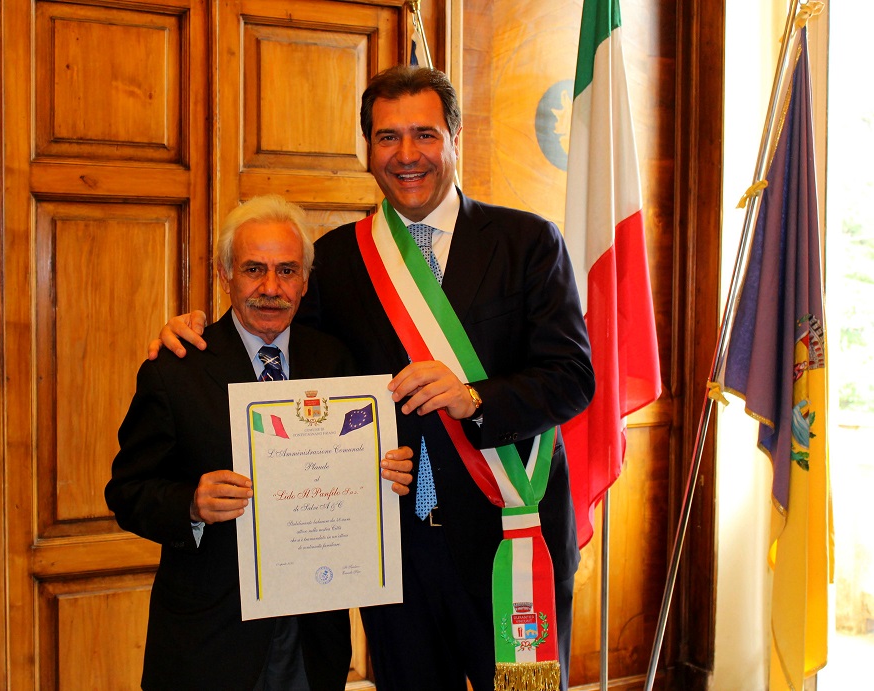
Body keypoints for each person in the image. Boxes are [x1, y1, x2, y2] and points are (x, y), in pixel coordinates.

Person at [150, 66, 594, 691]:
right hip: (391, 554)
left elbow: (573, 377)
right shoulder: (337, 259)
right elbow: (271, 335)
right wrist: (190, 332)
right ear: (368, 149)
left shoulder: (528, 242)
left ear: (456, 138)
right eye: (388, 137)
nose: (407, 155)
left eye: (424, 134)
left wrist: (474, 399)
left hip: (510, 542)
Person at [106, 194, 414, 691]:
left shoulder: (337, 362)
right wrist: (191, 504)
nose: (271, 288)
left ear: (305, 281)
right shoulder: (175, 370)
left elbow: (361, 475)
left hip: (313, 636)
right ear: (225, 274)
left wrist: (386, 473)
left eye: (287, 271)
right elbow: (127, 491)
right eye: (254, 269)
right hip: (210, 639)